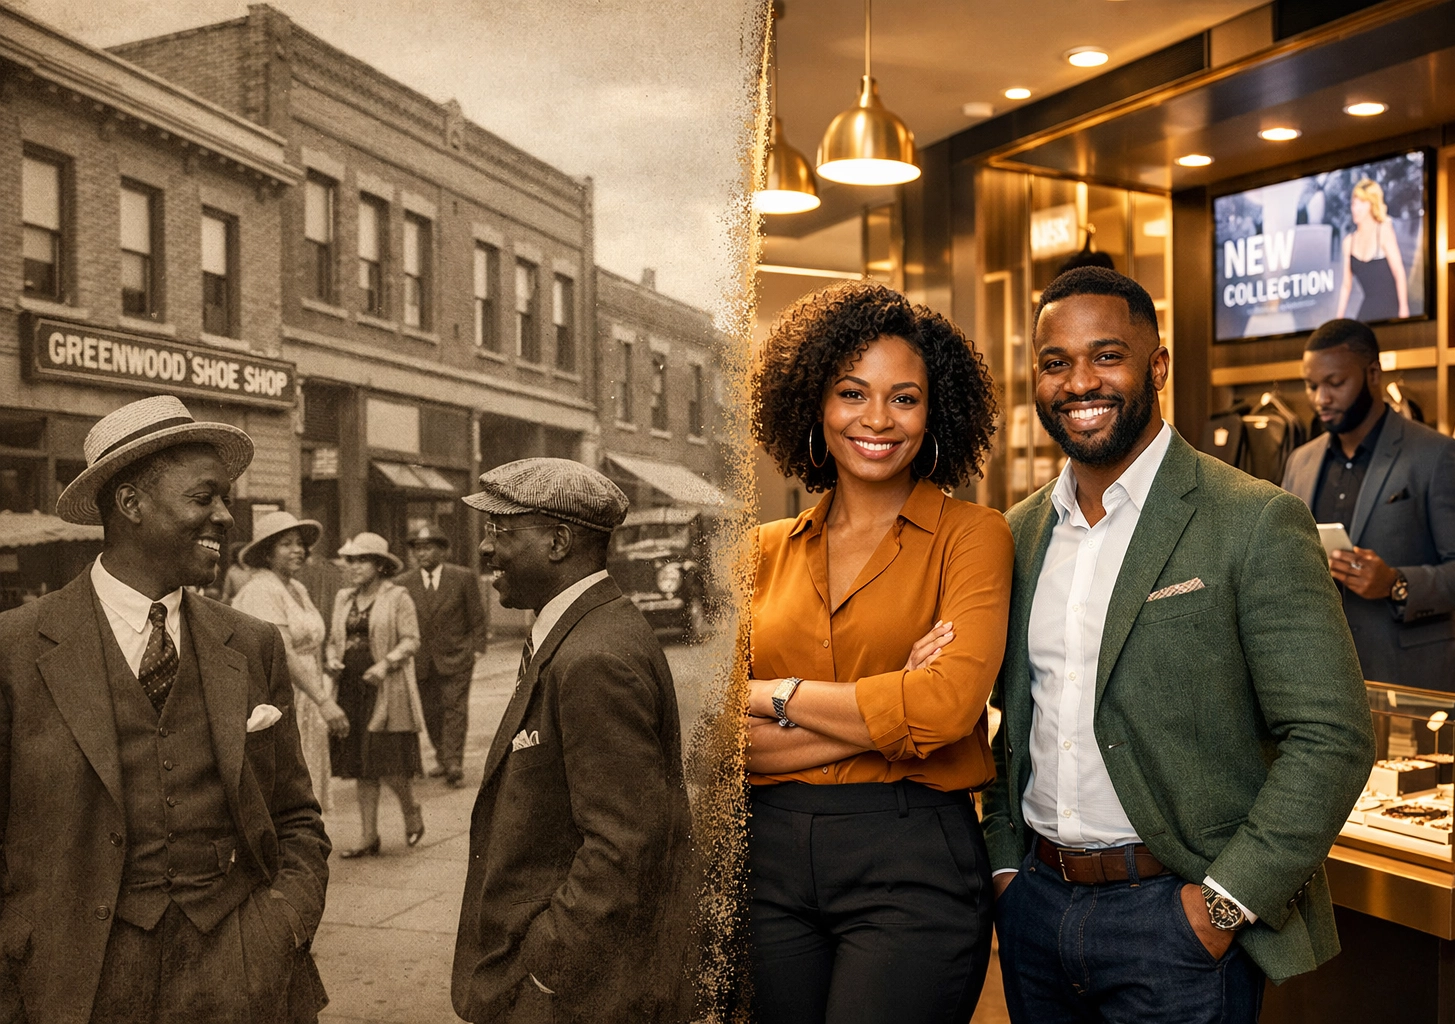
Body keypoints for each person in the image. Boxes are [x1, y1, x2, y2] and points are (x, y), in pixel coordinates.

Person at [984, 268, 1375, 1024]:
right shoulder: (1017, 533)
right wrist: (1006, 867)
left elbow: (1333, 736)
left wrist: (1222, 908)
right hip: (1035, 912)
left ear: (1156, 366)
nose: (1079, 382)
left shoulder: (1253, 520)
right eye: (1055, 362)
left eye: (1107, 356)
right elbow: (1012, 720)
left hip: (1177, 924)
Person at [0, 394, 330, 1023]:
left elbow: (296, 816)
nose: (227, 518)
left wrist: (281, 925)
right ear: (131, 504)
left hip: (241, 972)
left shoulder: (253, 643)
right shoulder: (15, 649)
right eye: (205, 498)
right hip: (79, 983)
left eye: (225, 500)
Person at [743, 281, 1009, 1024]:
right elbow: (716, 740)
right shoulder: (759, 553)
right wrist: (895, 714)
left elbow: (949, 708)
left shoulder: (973, 537)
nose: (876, 420)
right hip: (766, 862)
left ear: (936, 413)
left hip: (912, 861)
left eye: (904, 398)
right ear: (813, 406)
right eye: (852, 393)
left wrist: (776, 697)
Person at [452, 458, 694, 1024]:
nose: (486, 549)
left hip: (575, 995)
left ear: (559, 541)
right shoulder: (579, 631)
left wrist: (544, 967)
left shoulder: (595, 656)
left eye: (501, 532)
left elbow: (623, 844)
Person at [1282, 318, 1455, 691]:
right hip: (1319, 683)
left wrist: (1396, 583)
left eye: (1335, 383)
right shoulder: (1300, 462)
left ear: (1372, 374)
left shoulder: (1438, 455)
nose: (1321, 399)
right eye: (1312, 386)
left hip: (1412, 681)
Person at [233, 510, 351, 810]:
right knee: (288, 780)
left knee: (309, 773)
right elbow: (282, 652)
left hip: (308, 691)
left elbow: (311, 640)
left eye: (300, 543)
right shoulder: (262, 589)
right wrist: (323, 699)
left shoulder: (296, 588)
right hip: (283, 693)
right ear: (267, 552)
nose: (298, 550)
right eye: (287, 544)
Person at [325, 532, 427, 856]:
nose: (352, 566)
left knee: (389, 764)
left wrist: (385, 664)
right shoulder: (343, 598)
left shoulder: (398, 597)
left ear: (380, 565)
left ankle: (410, 809)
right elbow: (332, 638)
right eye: (350, 560)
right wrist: (330, 658)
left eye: (361, 560)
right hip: (351, 690)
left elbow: (411, 640)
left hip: (386, 690)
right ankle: (369, 835)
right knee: (361, 765)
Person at [400, 523, 487, 788]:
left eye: (427, 548)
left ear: (443, 551)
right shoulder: (403, 583)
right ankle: (442, 755)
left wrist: (477, 648)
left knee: (454, 708)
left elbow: (477, 616)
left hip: (457, 655)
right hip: (421, 659)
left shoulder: (463, 577)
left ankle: (453, 762)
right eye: (417, 549)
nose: (421, 553)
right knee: (430, 710)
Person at [1335, 177, 1410, 322]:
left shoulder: (1383, 231)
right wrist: (1338, 319)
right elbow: (1346, 285)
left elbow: (1398, 272)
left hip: (1391, 306)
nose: (1355, 208)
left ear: (1372, 204)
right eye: (1353, 203)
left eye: (1361, 203)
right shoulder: (1348, 242)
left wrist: (1404, 308)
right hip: (1369, 305)